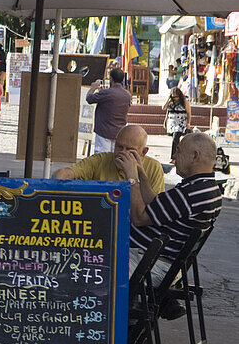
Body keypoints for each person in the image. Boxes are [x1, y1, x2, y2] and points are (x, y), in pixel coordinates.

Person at [119, 131, 221, 290]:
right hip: (159, 263)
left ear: (195, 156)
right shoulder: (208, 188)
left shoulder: (189, 194)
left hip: (152, 266)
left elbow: (138, 218)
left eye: (179, 150)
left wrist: (132, 178)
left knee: (92, 260)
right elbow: (159, 204)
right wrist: (141, 172)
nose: (174, 156)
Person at [53, 124, 165, 195]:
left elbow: (155, 208)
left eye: (130, 150)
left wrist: (133, 177)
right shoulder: (100, 160)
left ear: (143, 152)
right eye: (119, 147)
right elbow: (66, 173)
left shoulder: (153, 167)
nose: (122, 153)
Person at [86, 68, 132, 153]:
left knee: (102, 159)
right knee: (115, 158)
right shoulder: (127, 95)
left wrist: (93, 88)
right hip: (119, 132)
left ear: (111, 79)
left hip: (104, 131)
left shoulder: (106, 93)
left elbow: (89, 98)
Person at [162, 86, 192, 158]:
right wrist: (168, 99)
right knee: (175, 139)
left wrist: (188, 123)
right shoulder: (170, 102)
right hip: (172, 121)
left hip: (181, 122)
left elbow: (189, 113)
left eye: (177, 96)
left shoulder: (184, 101)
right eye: (174, 97)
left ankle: (174, 157)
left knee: (176, 137)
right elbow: (164, 108)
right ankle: (178, 154)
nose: (176, 98)